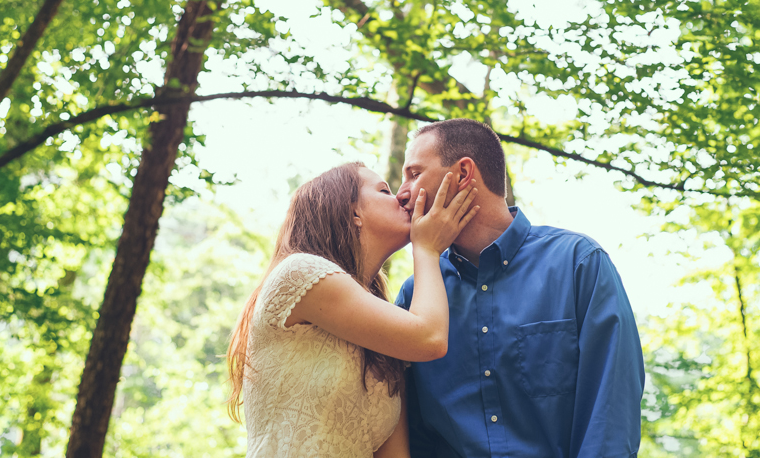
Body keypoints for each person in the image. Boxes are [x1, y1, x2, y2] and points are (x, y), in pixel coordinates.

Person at [395, 119, 645, 458]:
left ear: (463, 173)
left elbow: (611, 412)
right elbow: (411, 432)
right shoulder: (416, 298)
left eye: (414, 174)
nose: (401, 192)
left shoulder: (578, 264)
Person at [226, 162, 479, 458]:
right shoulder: (300, 273)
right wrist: (427, 250)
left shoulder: (381, 333)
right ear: (353, 212)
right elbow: (430, 338)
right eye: (384, 190)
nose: (400, 197)